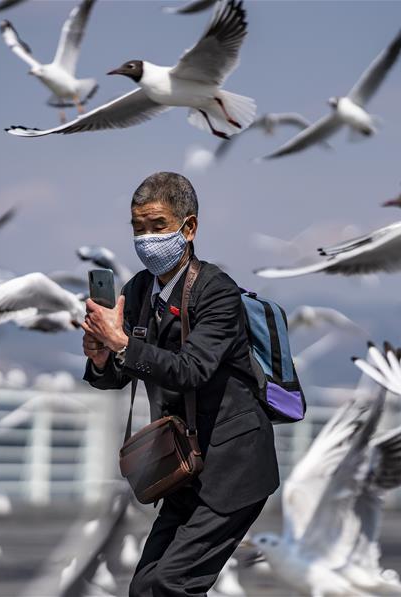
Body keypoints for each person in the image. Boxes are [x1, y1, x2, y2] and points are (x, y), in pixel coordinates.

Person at [80, 172, 279, 596]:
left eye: (158, 226)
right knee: (145, 587)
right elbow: (122, 372)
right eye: (138, 228)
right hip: (183, 465)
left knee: (174, 583)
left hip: (234, 465)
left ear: (188, 228)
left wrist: (121, 345)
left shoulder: (216, 291)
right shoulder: (136, 291)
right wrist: (102, 358)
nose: (146, 238)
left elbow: (190, 370)